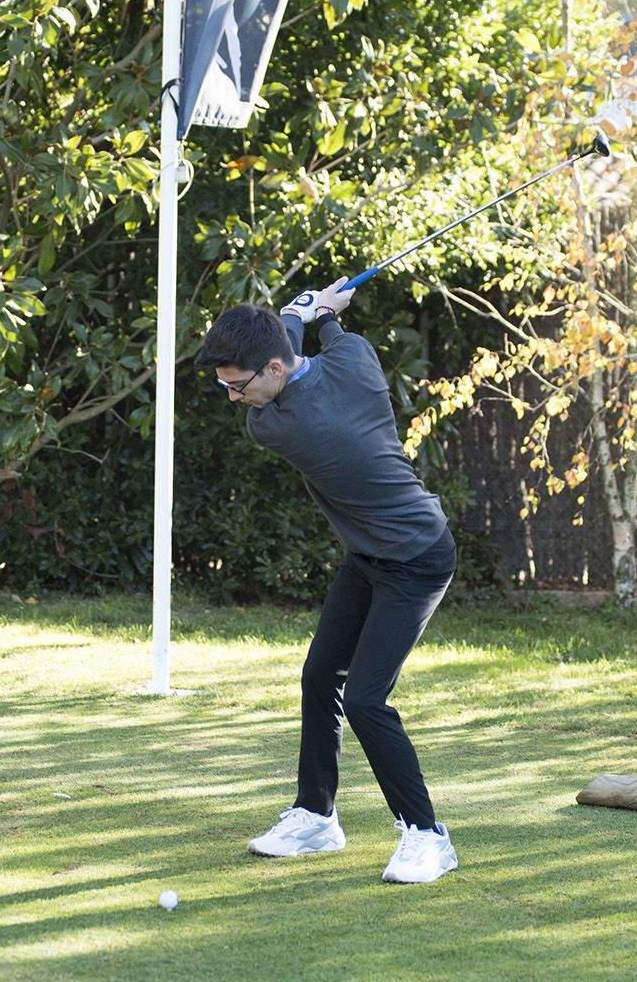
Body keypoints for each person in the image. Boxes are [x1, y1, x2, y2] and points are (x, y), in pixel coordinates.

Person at [195, 277, 459, 884]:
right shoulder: (356, 359)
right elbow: (314, 346)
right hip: (370, 553)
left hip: (416, 558)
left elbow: (289, 341)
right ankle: (317, 816)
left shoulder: (281, 428)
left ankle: (427, 836)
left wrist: (299, 310)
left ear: (271, 370)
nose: (234, 399)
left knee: (367, 699)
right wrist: (324, 316)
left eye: (238, 387)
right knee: (320, 675)